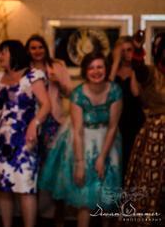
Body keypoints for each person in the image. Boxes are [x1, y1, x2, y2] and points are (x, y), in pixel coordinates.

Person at [0, 40, 50, 227]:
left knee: (25, 187)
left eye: (3, 52)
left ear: (14, 54)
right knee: (3, 187)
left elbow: (46, 105)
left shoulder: (33, 76)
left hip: (25, 137)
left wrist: (35, 123)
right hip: (1, 139)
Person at [40, 52, 122, 227]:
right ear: (85, 71)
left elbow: (113, 126)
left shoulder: (115, 90)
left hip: (108, 141)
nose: (96, 71)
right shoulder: (78, 94)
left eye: (100, 66)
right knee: (85, 196)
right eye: (91, 68)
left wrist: (102, 157)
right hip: (82, 143)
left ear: (106, 69)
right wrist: (79, 163)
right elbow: (77, 131)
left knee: (106, 196)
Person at [25, 34, 73, 227]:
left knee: (56, 168)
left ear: (45, 48)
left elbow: (70, 92)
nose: (37, 51)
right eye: (33, 48)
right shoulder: (24, 70)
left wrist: (58, 82)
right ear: (28, 51)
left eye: (40, 47)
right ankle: (32, 215)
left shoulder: (57, 66)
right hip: (31, 122)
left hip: (53, 121)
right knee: (33, 169)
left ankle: (58, 215)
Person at [123, 32, 165, 227]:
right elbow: (138, 68)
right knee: (150, 184)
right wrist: (138, 49)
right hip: (157, 134)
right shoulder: (149, 72)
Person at [108, 36, 145, 180]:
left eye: (129, 50)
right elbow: (108, 92)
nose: (126, 54)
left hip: (135, 120)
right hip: (116, 121)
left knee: (132, 161)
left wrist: (135, 65)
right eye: (122, 51)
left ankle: (132, 199)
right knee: (116, 161)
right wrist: (116, 62)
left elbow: (136, 92)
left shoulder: (141, 70)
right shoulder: (111, 70)